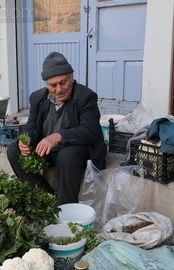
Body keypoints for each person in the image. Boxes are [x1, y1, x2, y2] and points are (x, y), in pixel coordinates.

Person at [7, 51, 106, 205]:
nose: (59, 89)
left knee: (67, 155)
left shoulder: (85, 97)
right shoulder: (37, 98)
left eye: (63, 82)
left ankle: (65, 207)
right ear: (46, 84)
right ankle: (45, 196)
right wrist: (26, 139)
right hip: (49, 150)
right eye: (53, 85)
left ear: (71, 78)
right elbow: (32, 125)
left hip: (77, 149)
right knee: (14, 150)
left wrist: (58, 136)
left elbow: (90, 131)